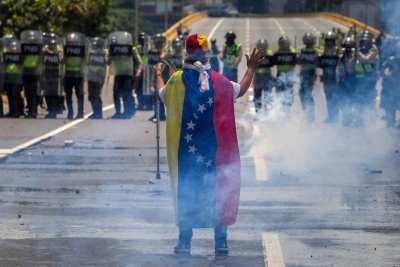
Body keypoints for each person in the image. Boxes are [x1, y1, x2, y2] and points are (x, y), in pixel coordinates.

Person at [153, 33, 264, 255]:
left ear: (186, 54)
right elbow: (240, 90)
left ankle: (184, 241)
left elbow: (161, 95)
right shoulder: (219, 82)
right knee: (219, 188)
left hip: (186, 154)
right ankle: (220, 241)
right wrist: (250, 68)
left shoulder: (176, 82)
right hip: (216, 154)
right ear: (206, 55)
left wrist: (158, 74)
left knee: (187, 190)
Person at [108, 32, 142, 119]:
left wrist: (138, 71)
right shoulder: (115, 49)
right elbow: (109, 61)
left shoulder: (131, 48)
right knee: (116, 93)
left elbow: (139, 61)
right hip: (118, 73)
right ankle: (118, 112)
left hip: (128, 74)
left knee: (127, 93)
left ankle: (128, 111)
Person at [318, 31, 341, 123]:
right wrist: (319, 54)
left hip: (335, 76)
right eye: (328, 41)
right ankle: (330, 116)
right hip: (326, 76)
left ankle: (335, 115)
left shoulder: (337, 49)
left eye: (331, 41)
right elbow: (319, 55)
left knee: (334, 97)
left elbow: (340, 56)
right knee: (327, 96)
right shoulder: (323, 49)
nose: (329, 42)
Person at [147, 33, 170, 122]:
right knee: (156, 96)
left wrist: (154, 53)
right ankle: (158, 114)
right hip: (158, 76)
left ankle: (165, 115)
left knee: (165, 97)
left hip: (166, 77)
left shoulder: (166, 50)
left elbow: (161, 57)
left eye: (158, 43)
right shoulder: (154, 51)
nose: (156, 44)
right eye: (155, 43)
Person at [63, 32, 86, 120]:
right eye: (70, 42)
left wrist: (82, 55)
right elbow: (63, 62)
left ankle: (80, 112)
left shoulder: (80, 50)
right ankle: (70, 112)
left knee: (79, 94)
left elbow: (85, 62)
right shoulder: (67, 50)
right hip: (68, 74)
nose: (72, 43)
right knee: (68, 94)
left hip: (78, 74)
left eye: (74, 42)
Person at [273, 35, 297, 119]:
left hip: (289, 76)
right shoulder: (277, 53)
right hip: (280, 75)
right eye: (283, 44)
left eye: (286, 44)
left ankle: (288, 112)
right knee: (280, 93)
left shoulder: (292, 52)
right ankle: (282, 111)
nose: (285, 46)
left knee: (289, 94)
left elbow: (296, 58)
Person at [21, 30, 42, 118]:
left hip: (35, 71)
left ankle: (33, 111)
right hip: (26, 70)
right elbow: (22, 58)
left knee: (33, 92)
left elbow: (41, 59)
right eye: (29, 40)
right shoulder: (25, 48)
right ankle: (30, 109)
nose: (31, 42)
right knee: (27, 92)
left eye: (32, 40)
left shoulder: (39, 48)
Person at [86, 37, 108, 119]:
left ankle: (98, 113)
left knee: (96, 95)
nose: (94, 47)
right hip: (91, 76)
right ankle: (95, 112)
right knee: (91, 96)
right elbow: (87, 63)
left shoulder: (104, 53)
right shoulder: (90, 53)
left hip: (99, 77)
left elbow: (107, 60)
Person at [42, 33, 62, 118]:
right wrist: (44, 50)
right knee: (47, 93)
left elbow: (61, 58)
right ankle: (50, 109)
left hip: (55, 74)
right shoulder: (45, 48)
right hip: (46, 73)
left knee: (54, 92)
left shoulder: (59, 49)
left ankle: (53, 111)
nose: (51, 43)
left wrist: (51, 52)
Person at [299, 32, 318, 122]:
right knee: (302, 93)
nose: (307, 42)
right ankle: (307, 113)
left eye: (309, 40)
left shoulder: (316, 50)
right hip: (303, 72)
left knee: (308, 93)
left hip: (311, 73)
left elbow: (320, 56)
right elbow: (299, 61)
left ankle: (311, 115)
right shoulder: (302, 50)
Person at [253, 38, 274, 115]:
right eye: (260, 46)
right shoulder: (255, 54)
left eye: (263, 46)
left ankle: (267, 113)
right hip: (258, 77)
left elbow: (273, 59)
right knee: (257, 97)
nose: (262, 48)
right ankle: (258, 113)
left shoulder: (269, 53)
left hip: (267, 77)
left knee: (268, 97)